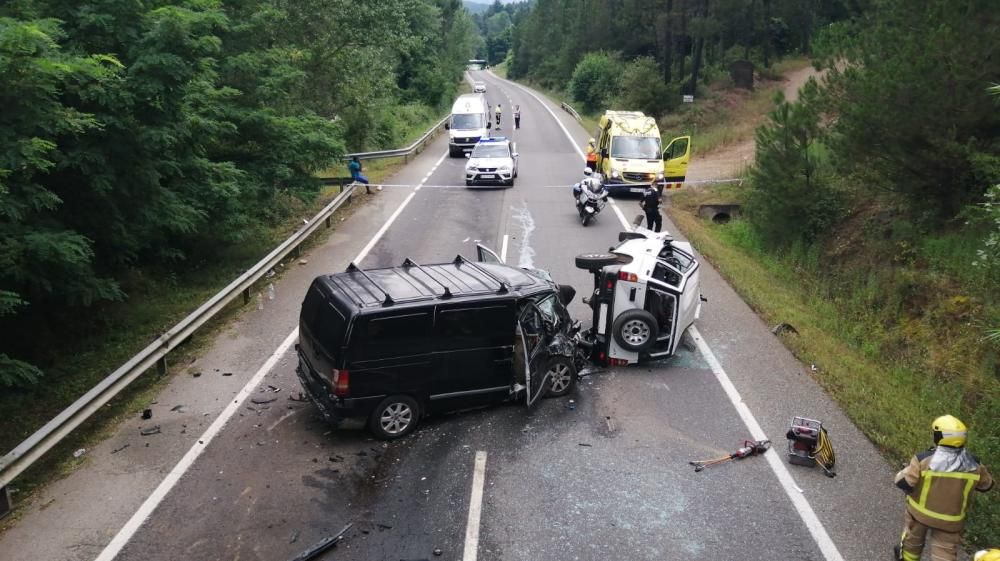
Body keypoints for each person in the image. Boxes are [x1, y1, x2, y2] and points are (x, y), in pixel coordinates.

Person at [893, 415, 993, 561]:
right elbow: (987, 485)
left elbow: (904, 482)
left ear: (939, 437)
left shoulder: (923, 460)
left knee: (912, 543)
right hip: (951, 520)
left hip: (919, 515)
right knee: (945, 552)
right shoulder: (975, 465)